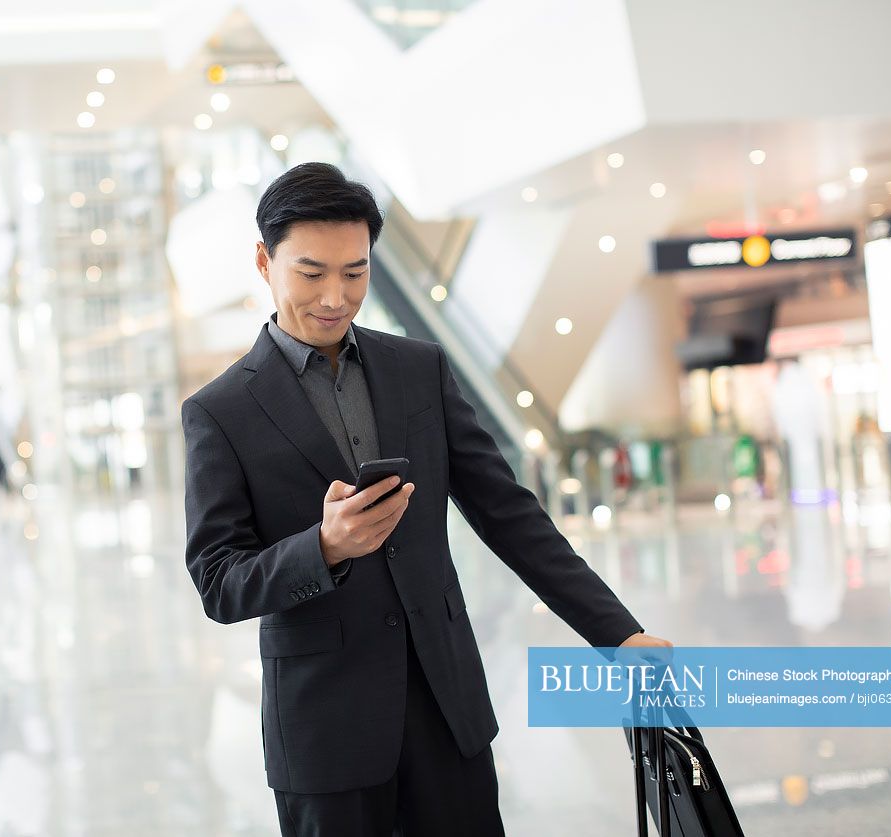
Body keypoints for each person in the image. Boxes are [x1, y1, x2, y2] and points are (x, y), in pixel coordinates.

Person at [181, 162, 670, 836]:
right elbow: (217, 581)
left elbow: (509, 514)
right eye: (311, 272)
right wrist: (322, 547)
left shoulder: (419, 369)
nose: (334, 295)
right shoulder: (220, 411)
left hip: (447, 714)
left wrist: (617, 633)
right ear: (264, 262)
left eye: (355, 272)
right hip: (326, 735)